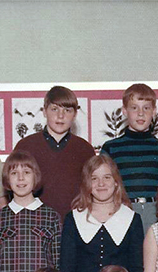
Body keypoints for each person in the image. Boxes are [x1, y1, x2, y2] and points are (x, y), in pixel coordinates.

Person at [61, 155, 144, 272]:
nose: (101, 184)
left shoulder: (131, 219)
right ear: (86, 184)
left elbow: (137, 269)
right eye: (94, 178)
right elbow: (67, 267)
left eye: (107, 177)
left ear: (116, 182)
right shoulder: (73, 218)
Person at [100, 82, 158, 232]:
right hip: (121, 213)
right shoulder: (110, 148)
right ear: (124, 111)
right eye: (134, 108)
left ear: (154, 111)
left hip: (157, 215)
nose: (140, 113)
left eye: (146, 108)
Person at [12, 85, 96, 219]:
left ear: (75, 115)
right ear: (44, 111)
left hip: (76, 223)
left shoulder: (85, 149)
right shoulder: (25, 146)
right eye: (54, 109)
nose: (60, 116)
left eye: (67, 110)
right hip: (34, 223)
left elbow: (92, 191)